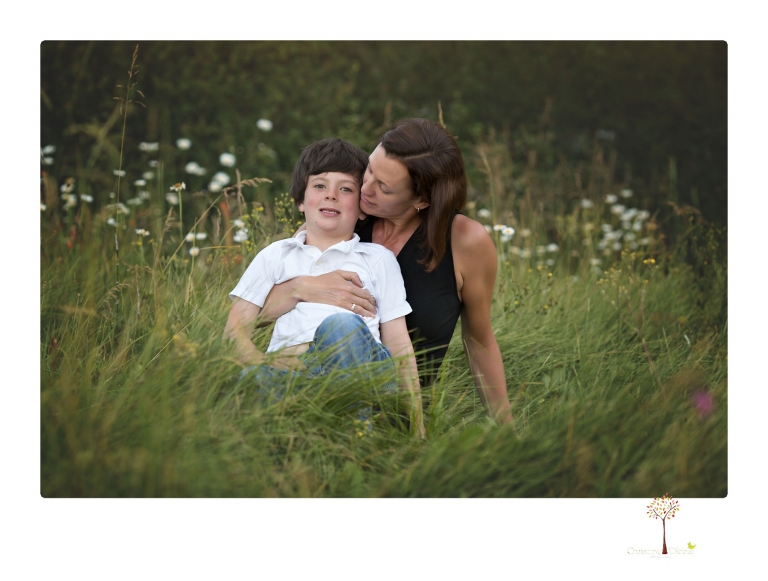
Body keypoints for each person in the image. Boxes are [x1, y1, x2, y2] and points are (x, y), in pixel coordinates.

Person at [260, 119, 513, 425]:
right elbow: (256, 316)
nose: (364, 189)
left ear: (422, 200)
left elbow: (479, 340)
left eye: (384, 187)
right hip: (314, 388)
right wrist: (298, 287)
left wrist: (505, 431)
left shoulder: (465, 242)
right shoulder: (341, 214)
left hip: (396, 406)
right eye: (369, 170)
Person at [223, 138, 424, 437]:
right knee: (244, 381)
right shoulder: (276, 255)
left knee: (340, 325)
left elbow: (397, 341)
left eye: (345, 189)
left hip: (363, 369)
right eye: (319, 186)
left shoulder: (376, 258)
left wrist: (418, 427)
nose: (331, 195)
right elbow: (234, 333)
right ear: (301, 201)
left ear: (362, 208)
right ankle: (306, 435)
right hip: (292, 375)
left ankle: (358, 437)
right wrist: (261, 365)